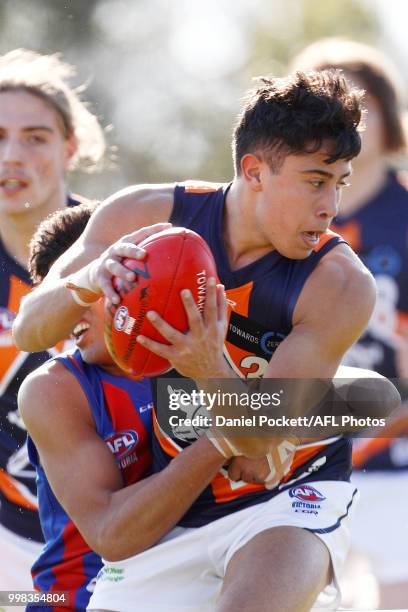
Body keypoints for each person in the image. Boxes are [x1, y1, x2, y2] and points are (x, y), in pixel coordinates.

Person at [13, 70, 397, 611]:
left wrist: (208, 364)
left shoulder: (339, 282)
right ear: (254, 171)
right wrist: (85, 280)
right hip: (178, 503)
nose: (331, 205)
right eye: (315, 180)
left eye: (340, 181)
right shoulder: (143, 215)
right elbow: (32, 329)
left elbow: (262, 443)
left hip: (286, 499)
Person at [20, 202, 234, 611]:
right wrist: (228, 437)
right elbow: (112, 535)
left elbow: (345, 403)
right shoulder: (56, 389)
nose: (72, 316)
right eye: (65, 300)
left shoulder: (209, 352)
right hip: (74, 600)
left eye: (92, 292)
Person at [291, 38, 408, 610]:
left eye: (362, 104)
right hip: (296, 455)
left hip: (395, 458)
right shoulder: (272, 222)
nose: (346, 119)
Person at [0, 48, 106, 592]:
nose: (11, 156)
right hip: (9, 538)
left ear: (70, 147)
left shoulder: (126, 244)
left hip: (117, 531)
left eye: (35, 137)